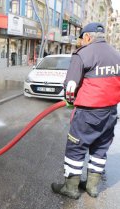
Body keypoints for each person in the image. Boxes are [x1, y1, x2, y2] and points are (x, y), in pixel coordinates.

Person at [51, 22, 120, 199]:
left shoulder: (83, 54)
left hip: (88, 114)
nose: (80, 42)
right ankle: (92, 187)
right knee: (100, 149)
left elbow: (70, 87)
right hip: (110, 113)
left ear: (88, 37)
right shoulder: (116, 55)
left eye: (81, 38)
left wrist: (70, 100)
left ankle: (71, 188)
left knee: (75, 149)